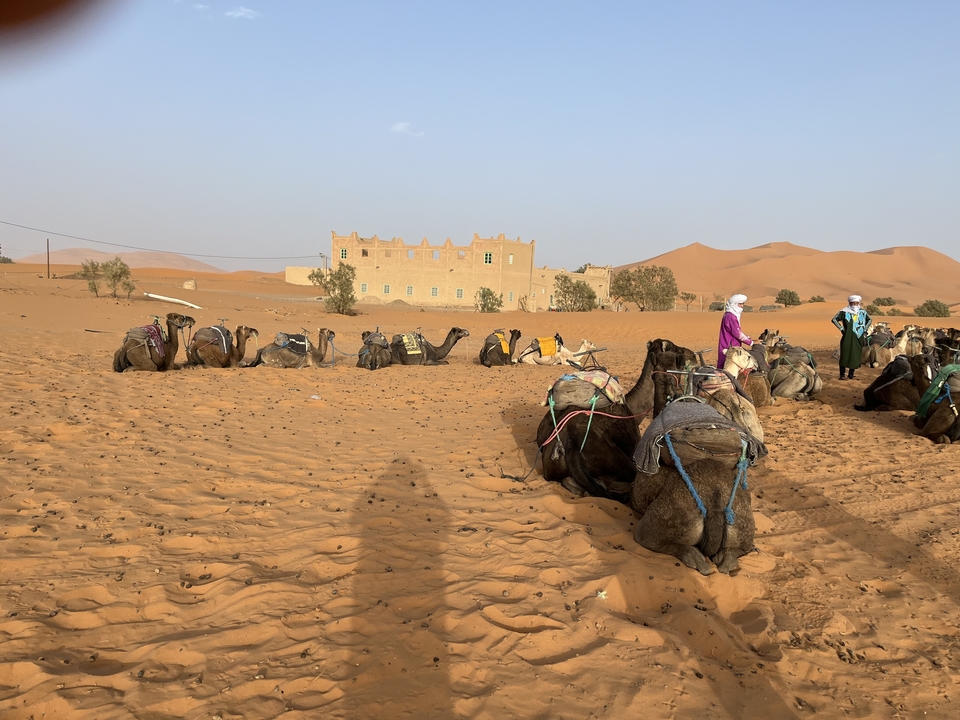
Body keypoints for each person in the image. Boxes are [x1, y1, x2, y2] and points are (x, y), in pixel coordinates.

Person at [831, 294, 871, 380]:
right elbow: (834, 319)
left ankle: (851, 374)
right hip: (847, 337)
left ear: (858, 303)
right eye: (852, 303)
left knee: (855, 356)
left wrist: (865, 329)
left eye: (856, 303)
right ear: (850, 303)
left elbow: (869, 320)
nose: (854, 305)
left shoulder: (863, 312)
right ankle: (842, 375)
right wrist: (842, 329)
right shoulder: (844, 312)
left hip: (858, 337)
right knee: (845, 355)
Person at [717, 294, 752, 368]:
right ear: (734, 304)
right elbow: (737, 333)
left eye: (743, 304)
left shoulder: (730, 315)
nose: (742, 306)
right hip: (729, 345)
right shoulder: (731, 316)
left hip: (731, 344)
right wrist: (750, 342)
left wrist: (748, 338)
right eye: (740, 304)